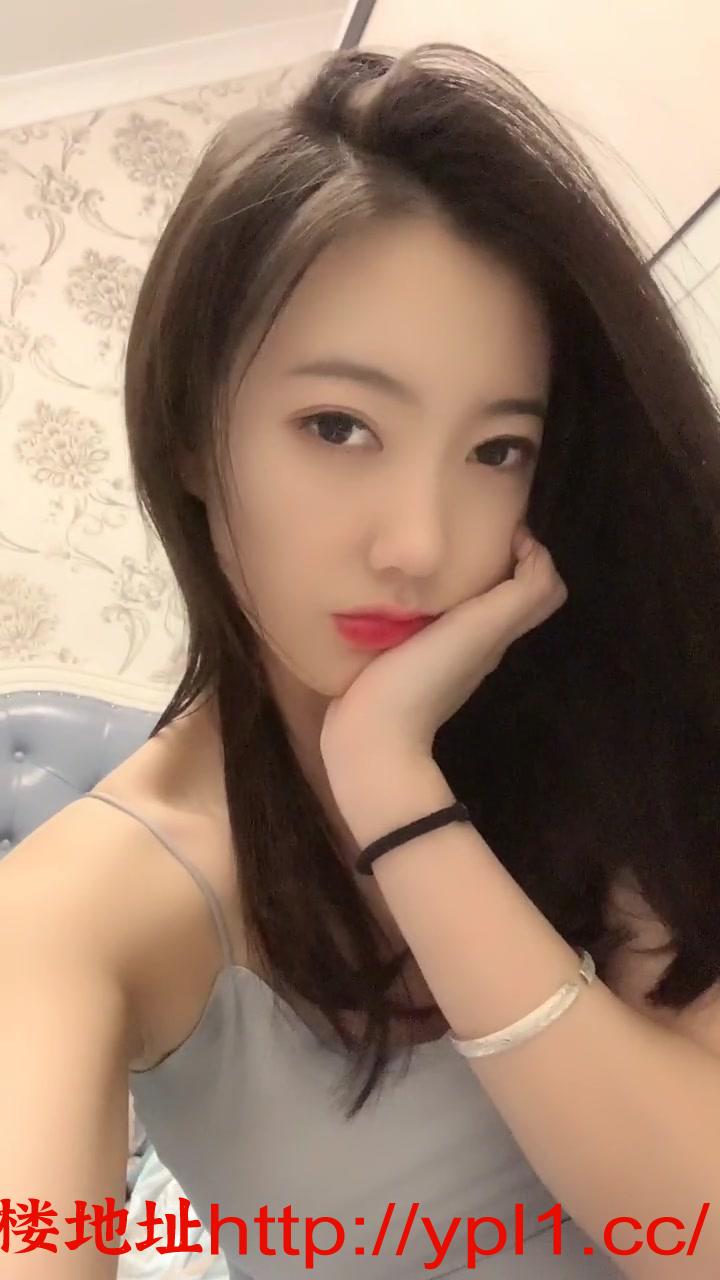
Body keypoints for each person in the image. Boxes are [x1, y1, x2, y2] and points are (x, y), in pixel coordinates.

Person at [2, 40, 720, 1280]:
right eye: (338, 426)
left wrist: (396, 787)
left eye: (495, 449)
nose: (421, 543)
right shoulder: (86, 904)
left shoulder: (588, 730)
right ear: (191, 433)